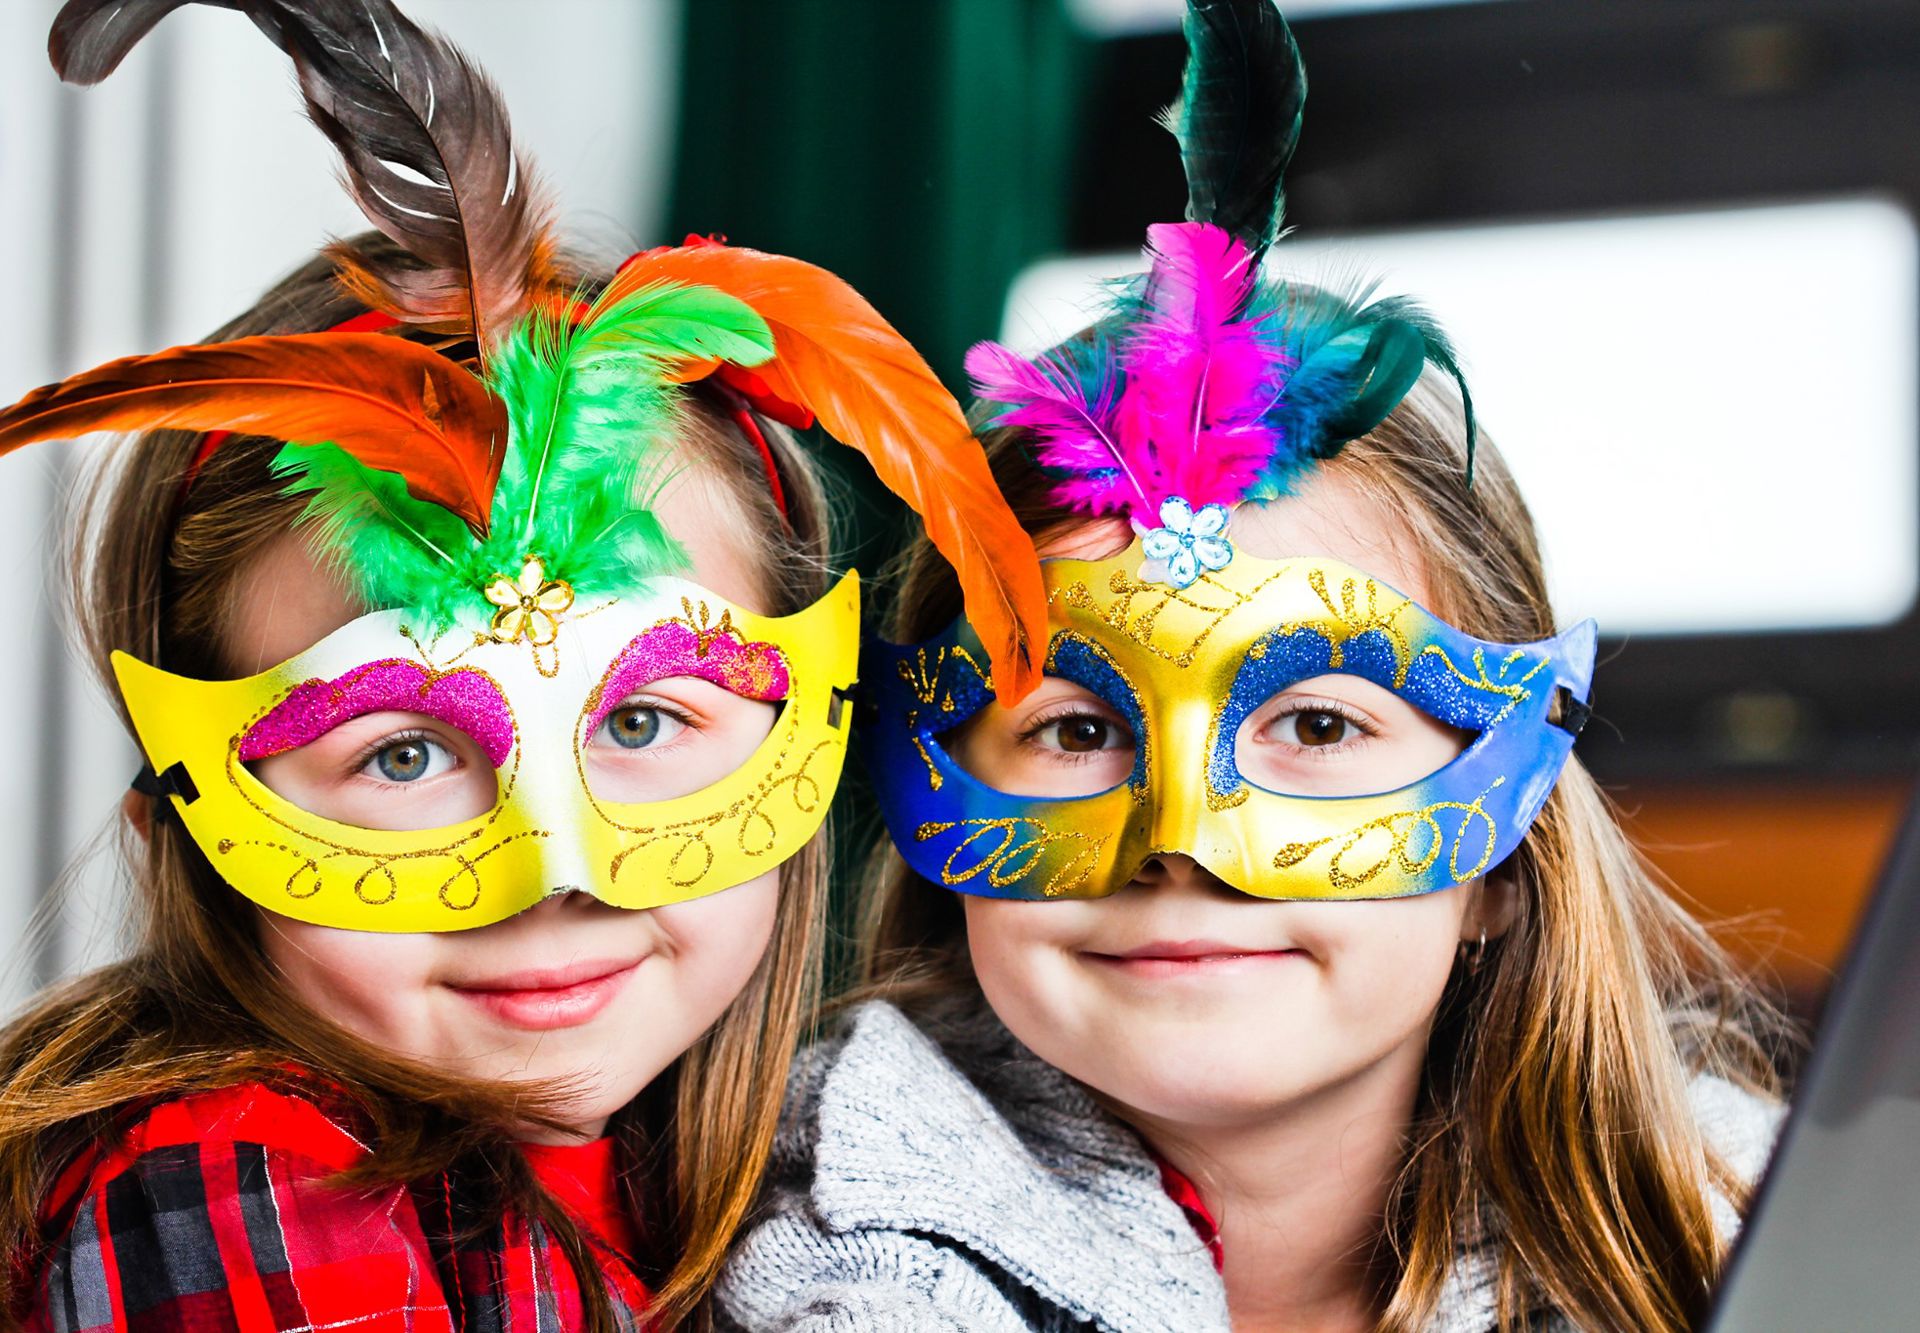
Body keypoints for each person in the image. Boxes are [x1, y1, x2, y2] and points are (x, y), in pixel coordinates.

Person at [717, 3, 1785, 1330]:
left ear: (1505, 863)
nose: (1184, 840)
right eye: (1070, 729)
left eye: (1321, 725)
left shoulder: (1752, 1227)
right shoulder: (812, 1273)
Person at [0, 2, 1044, 1330]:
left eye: (649, 717)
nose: (560, 871)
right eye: (403, 751)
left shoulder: (780, 1175)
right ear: (186, 828)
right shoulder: (229, 1183)